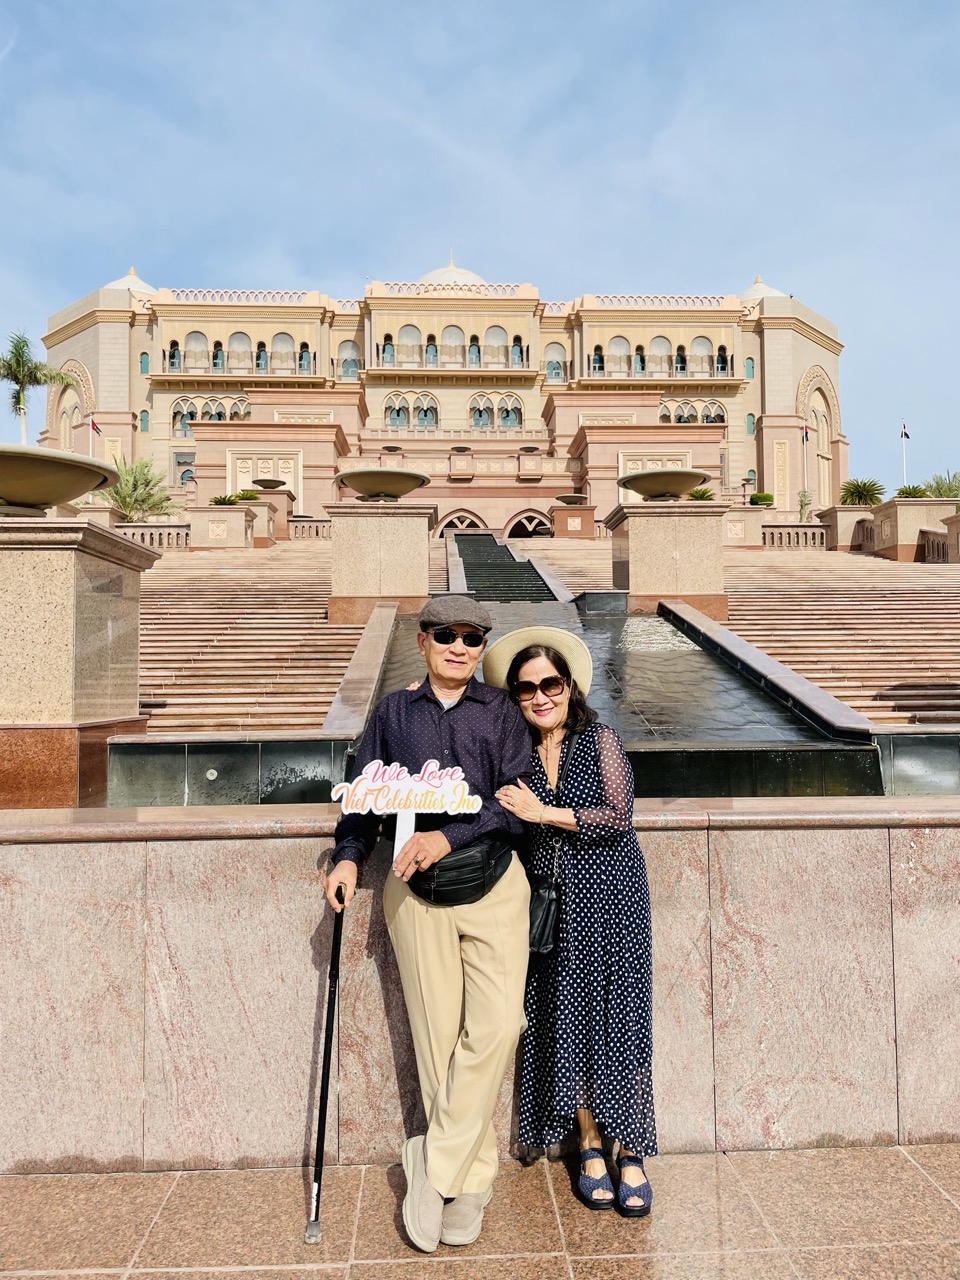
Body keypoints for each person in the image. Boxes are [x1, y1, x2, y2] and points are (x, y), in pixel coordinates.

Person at [324, 597, 532, 1253]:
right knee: (437, 1043)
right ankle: (469, 1182)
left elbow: (516, 804)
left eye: (472, 638)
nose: (459, 647)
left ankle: (432, 1164)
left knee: (500, 1025)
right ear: (422, 641)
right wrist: (349, 857)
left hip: (493, 883)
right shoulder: (393, 713)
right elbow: (365, 796)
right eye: (446, 635)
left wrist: (448, 836)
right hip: (414, 894)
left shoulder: (501, 711)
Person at [485, 626, 657, 1217]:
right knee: (568, 1020)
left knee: (622, 1019)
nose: (540, 696)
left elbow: (617, 816)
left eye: (550, 684)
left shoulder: (599, 738)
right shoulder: (515, 755)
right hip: (552, 907)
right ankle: (587, 1143)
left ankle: (629, 1148)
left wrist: (544, 812)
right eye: (526, 688)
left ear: (569, 686)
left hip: (613, 898)